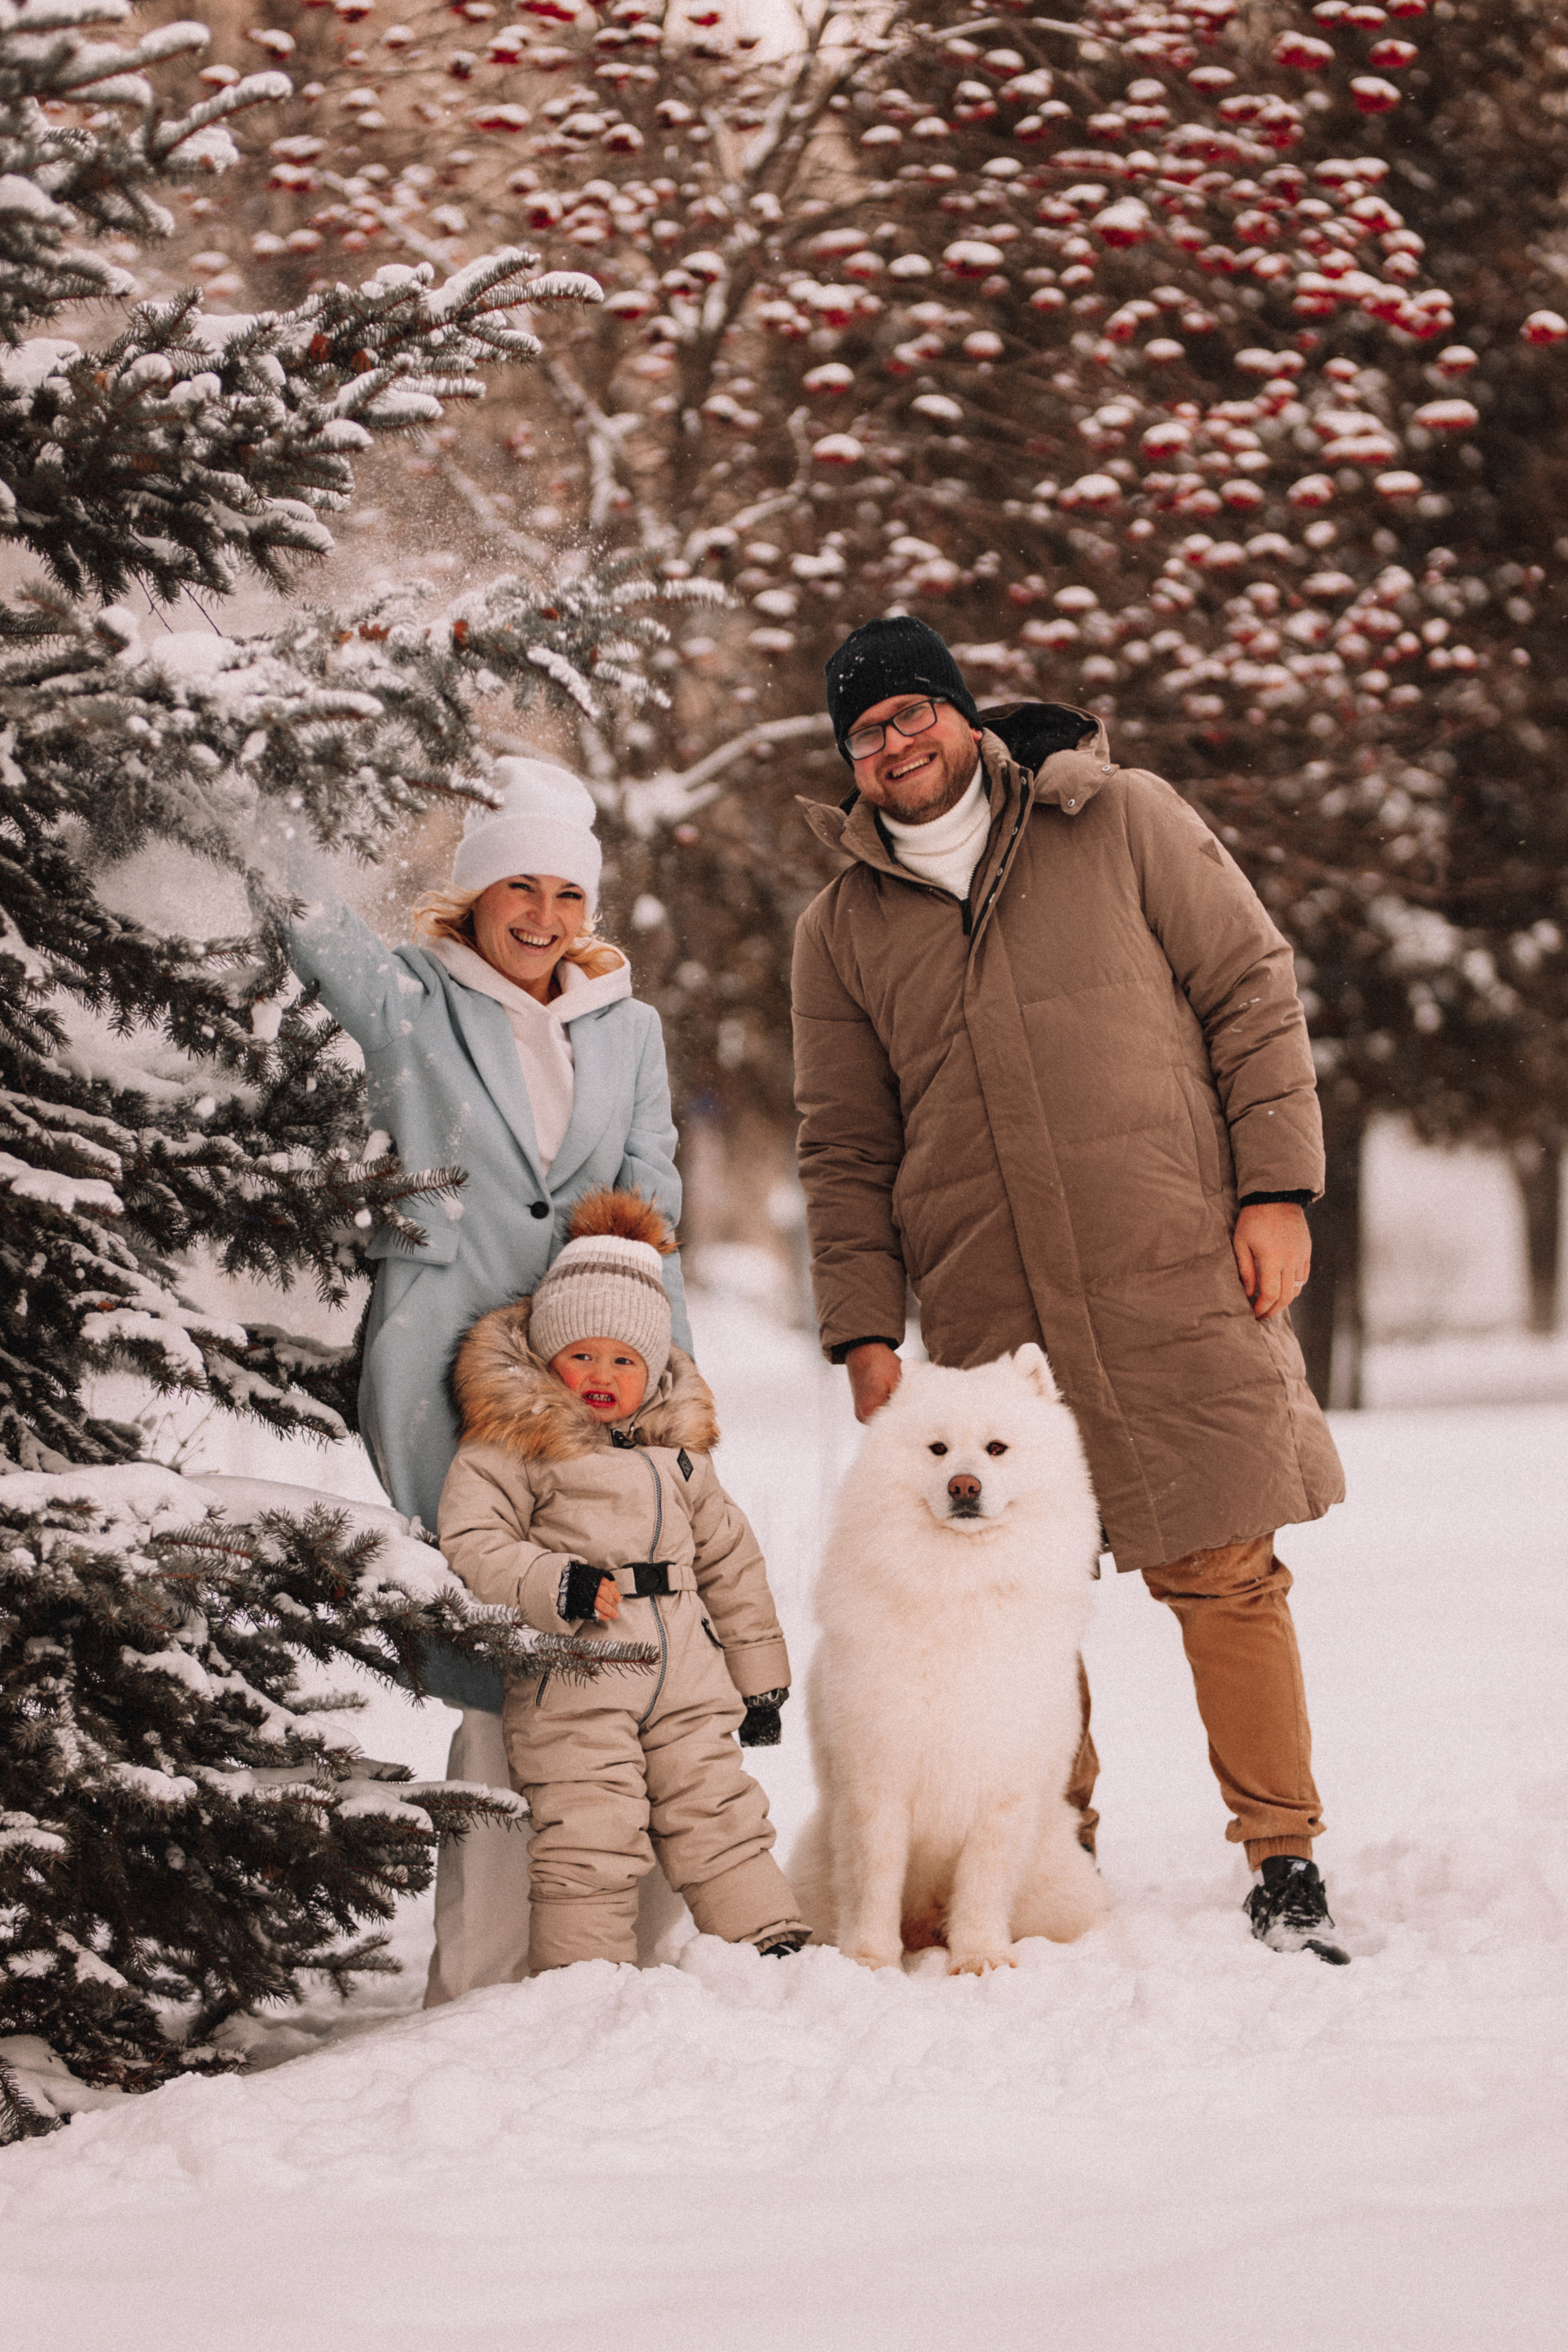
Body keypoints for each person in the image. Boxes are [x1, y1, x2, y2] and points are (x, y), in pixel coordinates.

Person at [790, 616, 1351, 1966]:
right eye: (865, 732)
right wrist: (865, 1327)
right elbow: (845, 1143)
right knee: (1015, 1597)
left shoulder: (1118, 819)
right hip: (990, 1302)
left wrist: (1273, 1186)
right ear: (848, 763)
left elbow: (1247, 988)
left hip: (1168, 1256)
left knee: (1222, 1564)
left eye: (914, 710)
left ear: (963, 714)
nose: (894, 744)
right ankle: (1048, 1847)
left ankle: (1282, 1859)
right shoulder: (840, 929)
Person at [272, 756, 692, 2000]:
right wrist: (257, 779)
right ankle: (492, 1970)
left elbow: (651, 1190)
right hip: (446, 1363)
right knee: (508, 1651)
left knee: (635, 1635)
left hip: (595, 1374)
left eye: (568, 891)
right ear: (475, 891)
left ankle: (633, 1947)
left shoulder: (632, 1028)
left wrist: (653, 1368)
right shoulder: (409, 998)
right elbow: (303, 917)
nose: (545, 915)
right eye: (521, 884)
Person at [437, 1187, 806, 1971]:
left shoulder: (679, 1458)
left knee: (718, 1807)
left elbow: (730, 1563)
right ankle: (583, 1975)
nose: (601, 1374)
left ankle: (768, 1937)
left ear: (652, 1369)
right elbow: (473, 1539)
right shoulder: (515, 1444)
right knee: (588, 1829)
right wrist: (554, 1581)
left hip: (687, 1676)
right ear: (546, 1357)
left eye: (623, 1359)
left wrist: (759, 1680)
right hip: (577, 1676)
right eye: (581, 1355)